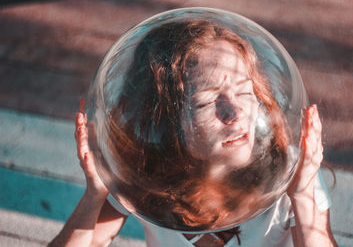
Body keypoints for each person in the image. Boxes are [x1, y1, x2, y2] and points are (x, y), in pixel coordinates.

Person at [49, 20, 337, 247]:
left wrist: (302, 195)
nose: (235, 114)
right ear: (168, 119)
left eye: (244, 91)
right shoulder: (147, 173)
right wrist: (96, 192)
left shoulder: (288, 166)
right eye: (207, 101)